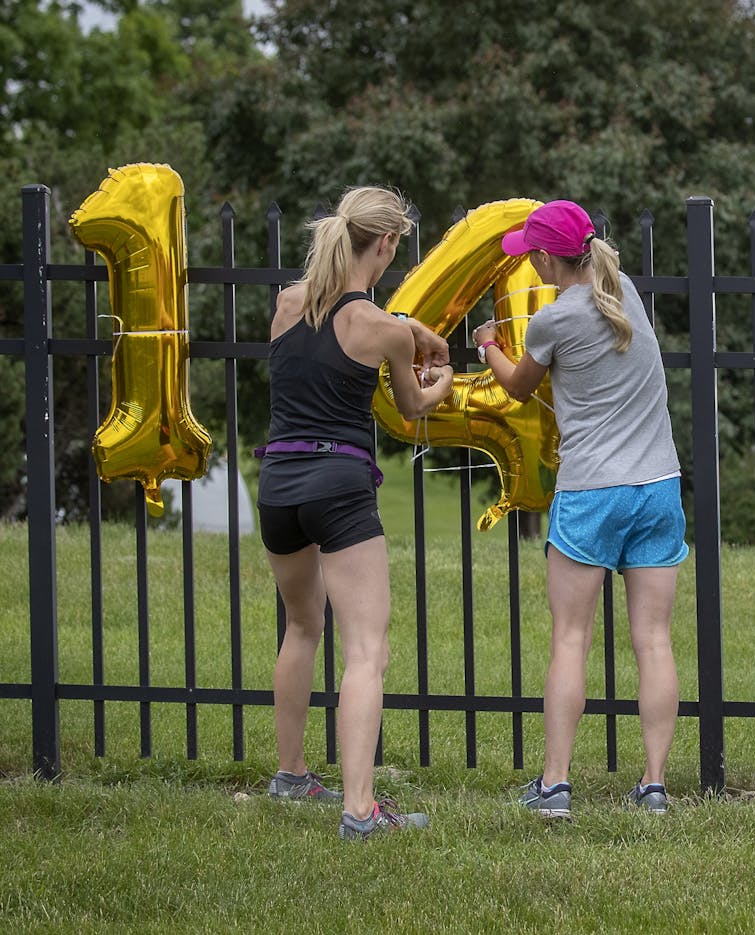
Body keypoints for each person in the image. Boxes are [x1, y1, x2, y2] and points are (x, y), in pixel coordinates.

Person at [474, 199, 687, 819]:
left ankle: (555, 786)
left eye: (531, 257)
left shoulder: (553, 319)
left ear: (544, 258)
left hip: (593, 491)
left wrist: (490, 343)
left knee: (571, 639)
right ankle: (653, 787)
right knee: (653, 640)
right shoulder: (627, 297)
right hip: (658, 486)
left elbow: (517, 386)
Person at [256, 185, 454, 840]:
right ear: (390, 243)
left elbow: (324, 337)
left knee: (301, 627)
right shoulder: (383, 331)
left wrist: (404, 325)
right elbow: (411, 408)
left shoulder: (286, 304)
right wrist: (442, 379)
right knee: (366, 648)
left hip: (278, 482)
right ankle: (362, 811)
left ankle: (290, 776)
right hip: (338, 485)